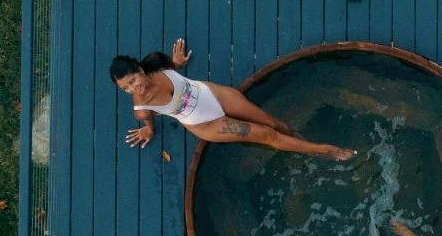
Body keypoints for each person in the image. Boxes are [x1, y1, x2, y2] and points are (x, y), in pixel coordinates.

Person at [111, 39, 355, 159]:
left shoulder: (156, 63)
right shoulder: (142, 107)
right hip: (206, 123)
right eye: (125, 89)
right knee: (268, 136)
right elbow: (148, 120)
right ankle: (326, 151)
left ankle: (301, 141)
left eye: (132, 81)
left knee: (276, 124)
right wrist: (148, 130)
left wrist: (178, 63)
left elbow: (172, 67)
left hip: (214, 95)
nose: (134, 89)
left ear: (139, 70)